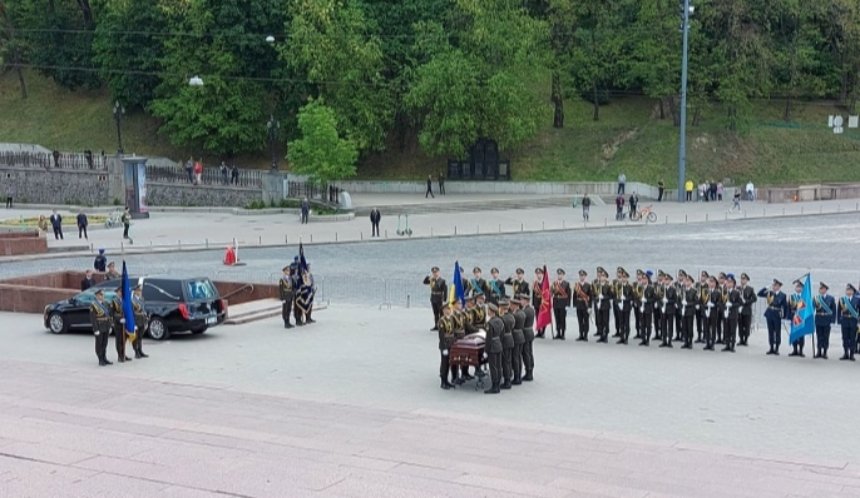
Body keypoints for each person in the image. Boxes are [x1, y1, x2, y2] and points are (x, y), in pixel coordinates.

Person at [759, 279, 787, 355]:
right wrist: (766, 287)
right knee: (770, 331)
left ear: (779, 286)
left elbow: (785, 306)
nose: (774, 287)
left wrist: (784, 316)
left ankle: (777, 348)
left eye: (776, 285)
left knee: (777, 332)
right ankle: (771, 347)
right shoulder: (770, 293)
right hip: (769, 313)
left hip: (777, 314)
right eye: (774, 285)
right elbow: (759, 293)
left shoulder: (783, 295)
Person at [484, 303, 504, 394]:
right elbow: (502, 334)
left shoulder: (490, 323)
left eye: (488, 310)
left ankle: (494, 386)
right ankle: (498, 384)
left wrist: (486, 350)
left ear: (491, 312)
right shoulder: (500, 321)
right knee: (499, 365)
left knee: (493, 367)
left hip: (492, 346)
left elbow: (488, 338)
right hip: (499, 344)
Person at [90, 289, 113, 366]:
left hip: (106, 326)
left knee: (105, 343)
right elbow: (93, 318)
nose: (102, 296)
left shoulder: (106, 304)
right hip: (99, 326)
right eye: (101, 295)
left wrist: (110, 326)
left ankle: (104, 357)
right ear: (97, 296)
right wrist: (96, 329)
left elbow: (109, 316)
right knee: (99, 344)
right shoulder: (94, 305)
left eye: (103, 295)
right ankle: (100, 359)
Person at [813, 282, 836, 359]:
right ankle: (819, 351)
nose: (821, 290)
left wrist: (832, 320)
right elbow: (812, 309)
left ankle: (825, 352)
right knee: (819, 336)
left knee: (826, 336)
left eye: (822, 289)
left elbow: (834, 310)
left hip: (827, 319)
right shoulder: (816, 298)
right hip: (818, 318)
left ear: (826, 290)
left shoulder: (831, 298)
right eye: (820, 289)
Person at [837, 284, 859, 361]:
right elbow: (839, 311)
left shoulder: (857, 300)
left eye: (850, 290)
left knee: (853, 338)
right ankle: (845, 353)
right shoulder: (842, 299)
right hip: (845, 320)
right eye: (847, 290)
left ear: (853, 291)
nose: (848, 292)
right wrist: (839, 321)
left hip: (853, 321)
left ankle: (851, 354)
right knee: (845, 338)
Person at [110, 286, 132, 363]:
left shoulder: (124, 300)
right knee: (119, 340)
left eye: (122, 292)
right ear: (117, 292)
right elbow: (112, 313)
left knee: (124, 340)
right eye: (120, 292)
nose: (121, 293)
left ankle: (124, 354)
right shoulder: (114, 301)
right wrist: (119, 319)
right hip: (118, 324)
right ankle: (120, 356)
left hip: (125, 323)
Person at [437, 304, 456, 390]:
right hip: (445, 344)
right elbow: (441, 336)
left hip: (451, 343)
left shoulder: (451, 319)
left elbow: (453, 332)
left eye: (449, 309)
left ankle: (447, 381)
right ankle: (443, 381)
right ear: (443, 311)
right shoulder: (442, 321)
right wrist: (444, 348)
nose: (448, 311)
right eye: (446, 309)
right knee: (444, 363)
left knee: (449, 363)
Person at [592, 267, 612, 342]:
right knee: (599, 321)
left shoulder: (608, 286)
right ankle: (601, 336)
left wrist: (603, 297)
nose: (601, 277)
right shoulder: (596, 285)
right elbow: (593, 295)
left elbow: (611, 296)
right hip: (598, 305)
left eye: (603, 276)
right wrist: (596, 300)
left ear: (606, 278)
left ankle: (605, 335)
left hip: (605, 305)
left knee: (605, 321)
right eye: (601, 276)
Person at [499, 300, 515, 390]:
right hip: (510, 339)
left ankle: (507, 381)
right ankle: (509, 376)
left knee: (505, 361)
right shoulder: (511, 316)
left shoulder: (502, 318)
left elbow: (500, 332)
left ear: (501, 308)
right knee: (508, 360)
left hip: (504, 340)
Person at [788, 280, 807, 357]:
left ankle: (801, 350)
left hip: (801, 318)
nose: (798, 288)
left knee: (801, 335)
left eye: (800, 287)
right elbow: (789, 308)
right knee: (794, 334)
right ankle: (794, 349)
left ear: (802, 289)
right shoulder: (792, 297)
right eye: (797, 287)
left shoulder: (805, 297)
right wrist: (789, 317)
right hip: (794, 317)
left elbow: (807, 309)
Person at [722, 275, 741, 352]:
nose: (728, 284)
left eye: (730, 282)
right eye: (727, 282)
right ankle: (727, 345)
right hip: (726, 313)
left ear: (733, 284)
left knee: (732, 330)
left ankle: (732, 345)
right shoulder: (724, 292)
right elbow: (720, 303)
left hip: (733, 314)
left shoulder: (736, 293)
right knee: (726, 330)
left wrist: (732, 305)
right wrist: (724, 308)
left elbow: (740, 303)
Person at [551, 269, 571, 340]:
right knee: (557, 318)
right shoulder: (554, 284)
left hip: (563, 303)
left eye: (561, 274)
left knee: (562, 319)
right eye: (558, 274)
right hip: (556, 303)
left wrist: (567, 305)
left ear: (563, 275)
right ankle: (558, 333)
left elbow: (569, 295)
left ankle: (563, 333)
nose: (559, 276)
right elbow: (551, 293)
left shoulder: (566, 284)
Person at [519, 295, 535, 381]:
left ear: (526, 301)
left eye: (522, 300)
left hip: (525, 333)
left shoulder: (526, 311)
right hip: (530, 333)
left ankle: (529, 372)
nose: (520, 301)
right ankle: (530, 370)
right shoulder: (531, 309)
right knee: (529, 353)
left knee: (526, 353)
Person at [615, 268, 633, 344]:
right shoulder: (618, 286)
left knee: (626, 323)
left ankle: (626, 338)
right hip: (620, 306)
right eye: (622, 277)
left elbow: (632, 297)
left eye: (625, 277)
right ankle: (621, 337)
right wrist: (618, 303)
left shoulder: (630, 287)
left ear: (627, 278)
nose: (623, 279)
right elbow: (615, 296)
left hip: (626, 307)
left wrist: (626, 298)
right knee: (621, 322)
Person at [509, 298, 525, 385]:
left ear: (515, 305)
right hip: (521, 336)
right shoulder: (522, 313)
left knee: (515, 358)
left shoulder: (514, 315)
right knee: (519, 357)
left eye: (511, 305)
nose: (510, 306)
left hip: (515, 337)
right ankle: (518, 375)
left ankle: (516, 377)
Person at [738, 273, 757, 346]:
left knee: (746, 325)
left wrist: (747, 301)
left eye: (744, 279)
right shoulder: (738, 288)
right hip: (740, 310)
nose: (742, 281)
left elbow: (755, 299)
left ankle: (746, 339)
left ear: (747, 280)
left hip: (747, 309)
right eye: (741, 279)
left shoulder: (750, 289)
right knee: (740, 325)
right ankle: (741, 339)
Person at [573, 270, 592, 341]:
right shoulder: (577, 285)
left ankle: (586, 335)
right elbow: (574, 296)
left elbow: (591, 297)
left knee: (586, 321)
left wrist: (590, 307)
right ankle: (581, 334)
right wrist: (575, 304)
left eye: (583, 276)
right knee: (580, 321)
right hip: (579, 305)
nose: (582, 277)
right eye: (580, 276)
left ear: (585, 276)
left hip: (585, 305)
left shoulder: (588, 285)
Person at [131, 285, 149, 359]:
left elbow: (144, 310)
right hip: (136, 320)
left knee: (140, 337)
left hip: (142, 319)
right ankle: (136, 352)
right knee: (136, 337)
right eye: (138, 290)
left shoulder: (142, 299)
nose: (139, 292)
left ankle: (140, 350)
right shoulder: (132, 300)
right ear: (134, 292)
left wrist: (145, 320)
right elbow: (131, 313)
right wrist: (134, 323)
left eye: (140, 290)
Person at [680, 274, 698, 349]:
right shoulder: (682, 290)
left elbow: (695, 302)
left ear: (691, 282)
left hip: (690, 311)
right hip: (683, 311)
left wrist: (687, 304)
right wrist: (681, 306)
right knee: (684, 327)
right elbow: (678, 300)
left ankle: (690, 342)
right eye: (686, 281)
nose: (686, 282)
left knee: (689, 327)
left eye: (688, 281)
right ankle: (686, 342)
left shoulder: (694, 291)